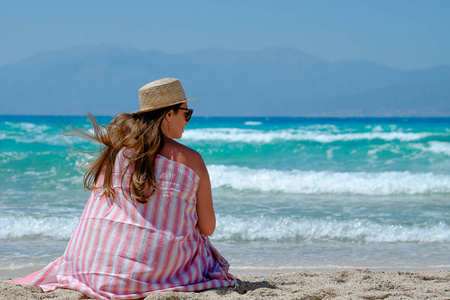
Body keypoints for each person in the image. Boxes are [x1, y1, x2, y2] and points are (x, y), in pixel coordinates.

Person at [10, 78, 235, 299]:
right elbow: (207, 227)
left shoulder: (117, 153)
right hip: (159, 269)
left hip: (93, 268)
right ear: (169, 114)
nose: (188, 121)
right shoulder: (191, 160)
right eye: (186, 113)